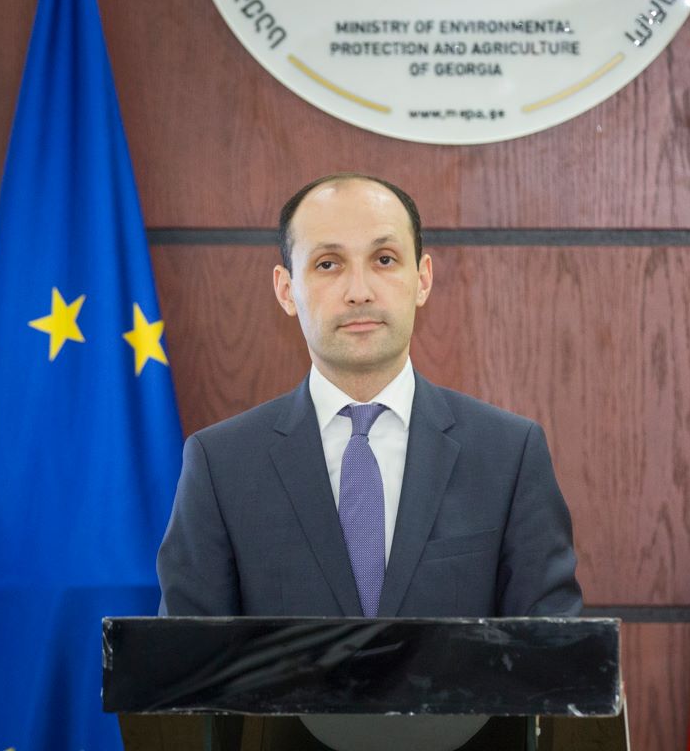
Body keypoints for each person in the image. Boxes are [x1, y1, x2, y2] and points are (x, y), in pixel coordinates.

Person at [157, 173, 582, 618]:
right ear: (286, 290)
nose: (359, 292)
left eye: (384, 259)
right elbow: (186, 656)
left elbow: (552, 650)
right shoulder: (221, 465)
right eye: (328, 264)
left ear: (422, 278)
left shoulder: (508, 454)